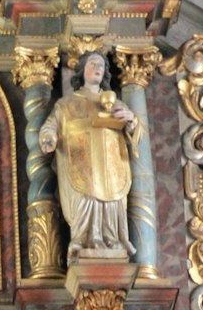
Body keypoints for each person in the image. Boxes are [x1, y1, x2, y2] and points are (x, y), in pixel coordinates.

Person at [38, 52, 140, 258]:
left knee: (111, 201)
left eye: (101, 65)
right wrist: (49, 137)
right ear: (82, 70)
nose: (98, 68)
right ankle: (84, 240)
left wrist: (131, 120)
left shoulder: (116, 104)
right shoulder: (66, 104)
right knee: (85, 199)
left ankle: (112, 239)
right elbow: (51, 126)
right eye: (93, 64)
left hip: (111, 166)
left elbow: (134, 132)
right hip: (82, 165)